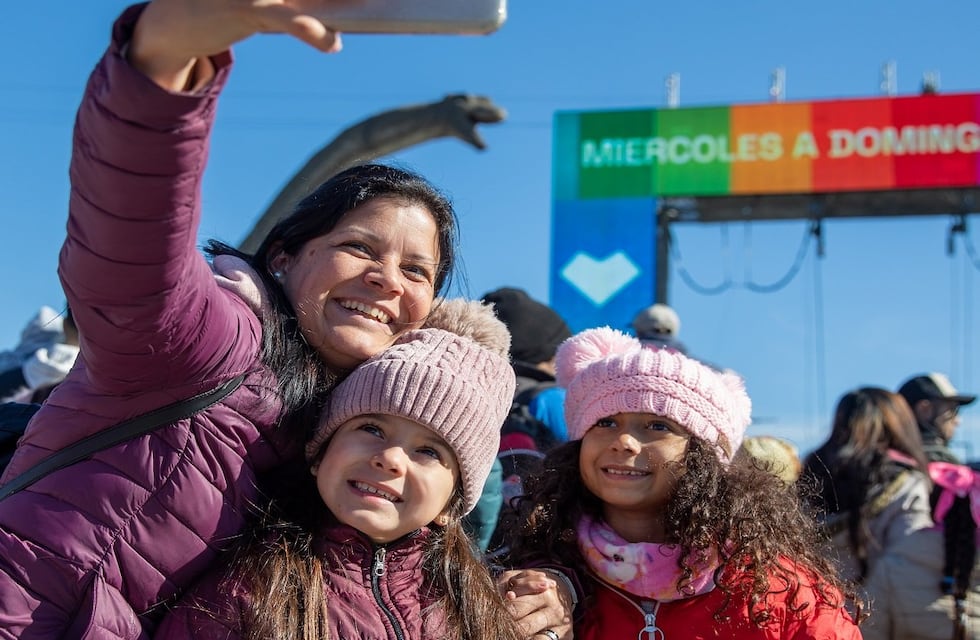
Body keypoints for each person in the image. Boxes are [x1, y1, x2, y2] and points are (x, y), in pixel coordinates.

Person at [0, 2, 568, 637]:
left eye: (417, 270)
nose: (386, 279)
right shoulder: (205, 343)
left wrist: (548, 592)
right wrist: (161, 61)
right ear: (283, 257)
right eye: (359, 247)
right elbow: (130, 237)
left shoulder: (363, 422)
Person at [153, 299, 524, 640]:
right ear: (321, 454)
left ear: (451, 506)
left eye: (428, 451)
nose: (390, 458)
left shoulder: (475, 614)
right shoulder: (245, 593)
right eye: (372, 429)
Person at [506, 327, 862, 639]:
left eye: (658, 426)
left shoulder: (784, 593)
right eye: (605, 422)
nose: (624, 441)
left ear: (705, 457)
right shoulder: (537, 584)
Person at [799, 388, 933, 584]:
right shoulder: (906, 484)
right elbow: (907, 564)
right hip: (876, 599)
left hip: (813, 598)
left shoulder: (808, 477)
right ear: (899, 427)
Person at [897, 373, 977, 464]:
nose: (958, 421)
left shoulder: (889, 457)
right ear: (925, 410)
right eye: (952, 410)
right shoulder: (938, 461)